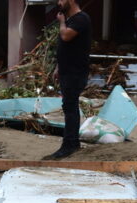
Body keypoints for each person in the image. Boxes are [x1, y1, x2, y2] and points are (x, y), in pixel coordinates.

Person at [44, 0, 92, 160]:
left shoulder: (81, 19)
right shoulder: (71, 20)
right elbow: (65, 48)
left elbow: (66, 36)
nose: (59, 3)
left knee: (70, 106)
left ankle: (70, 144)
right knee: (69, 106)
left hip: (76, 72)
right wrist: (58, 67)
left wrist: (62, 22)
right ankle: (72, 142)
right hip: (66, 71)